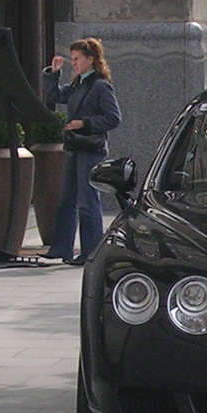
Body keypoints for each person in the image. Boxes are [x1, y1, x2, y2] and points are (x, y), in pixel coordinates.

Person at [41, 37, 122, 265]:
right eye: (72, 59)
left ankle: (91, 251)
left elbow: (113, 118)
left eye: (77, 59)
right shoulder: (79, 84)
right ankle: (61, 247)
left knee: (88, 201)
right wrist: (53, 73)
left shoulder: (100, 86)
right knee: (67, 199)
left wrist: (84, 123)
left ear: (90, 60)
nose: (74, 63)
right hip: (75, 147)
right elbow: (54, 96)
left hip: (90, 150)